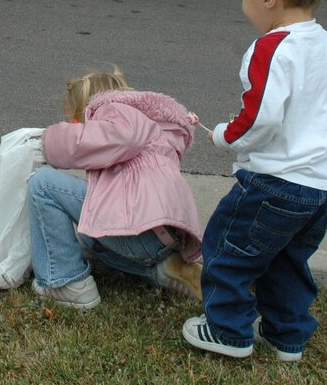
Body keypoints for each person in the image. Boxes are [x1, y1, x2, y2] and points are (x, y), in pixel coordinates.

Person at [182, 0, 327, 362]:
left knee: (226, 249)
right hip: (323, 188)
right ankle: (286, 337)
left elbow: (261, 116)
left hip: (275, 184)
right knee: (288, 262)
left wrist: (223, 135)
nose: (244, 3)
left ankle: (228, 330)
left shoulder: (272, 47)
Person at [28, 67, 204, 310]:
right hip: (164, 235)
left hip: (143, 230)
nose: (78, 127)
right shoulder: (155, 125)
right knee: (90, 237)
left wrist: (48, 142)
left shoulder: (116, 112)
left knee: (43, 185)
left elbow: (119, 137)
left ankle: (67, 282)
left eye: (77, 121)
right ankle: (164, 270)